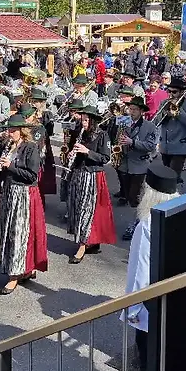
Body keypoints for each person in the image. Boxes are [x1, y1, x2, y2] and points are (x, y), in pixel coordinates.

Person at [122, 163, 180, 371]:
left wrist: (133, 309)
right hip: (176, 303)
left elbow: (140, 270)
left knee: (148, 363)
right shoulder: (180, 212)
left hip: (150, 308)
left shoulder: (146, 225)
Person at [0, 114, 48, 294]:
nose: (9, 134)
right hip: (9, 191)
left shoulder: (31, 147)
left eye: (13, 130)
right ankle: (19, 268)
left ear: (22, 131)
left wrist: (9, 166)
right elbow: (7, 171)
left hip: (23, 193)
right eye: (9, 130)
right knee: (7, 231)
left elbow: (32, 176)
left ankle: (14, 275)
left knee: (19, 233)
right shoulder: (9, 146)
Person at [66, 104, 116, 264]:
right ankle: (90, 241)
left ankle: (83, 244)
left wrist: (87, 152)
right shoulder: (79, 133)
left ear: (93, 121)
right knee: (77, 207)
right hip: (78, 173)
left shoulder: (102, 135)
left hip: (92, 175)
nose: (83, 122)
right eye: (82, 119)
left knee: (87, 209)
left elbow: (105, 158)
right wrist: (71, 154)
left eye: (86, 120)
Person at [118, 96, 160, 241]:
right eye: (130, 109)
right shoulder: (124, 120)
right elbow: (113, 134)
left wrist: (132, 142)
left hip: (139, 166)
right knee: (129, 195)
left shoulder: (150, 126)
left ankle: (137, 221)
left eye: (135, 109)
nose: (131, 112)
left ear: (142, 111)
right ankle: (138, 217)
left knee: (135, 196)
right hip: (124, 164)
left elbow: (150, 146)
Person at [157, 78, 186, 183]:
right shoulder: (164, 103)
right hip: (165, 146)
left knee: (173, 175)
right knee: (166, 173)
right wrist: (164, 113)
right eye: (169, 91)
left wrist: (178, 111)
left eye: (174, 92)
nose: (170, 94)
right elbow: (157, 122)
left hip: (180, 146)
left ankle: (175, 195)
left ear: (182, 92)